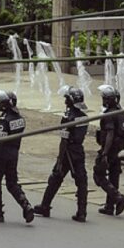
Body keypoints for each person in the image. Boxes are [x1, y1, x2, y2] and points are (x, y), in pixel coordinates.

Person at [34, 86, 90, 222]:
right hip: (79, 151)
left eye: (67, 98)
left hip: (68, 153)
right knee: (82, 182)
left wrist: (60, 159)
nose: (65, 101)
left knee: (55, 178)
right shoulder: (84, 117)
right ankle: (82, 212)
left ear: (71, 100)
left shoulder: (68, 117)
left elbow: (64, 140)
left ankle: (45, 206)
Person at [0, 90, 34, 223]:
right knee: (12, 183)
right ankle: (26, 205)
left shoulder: (4, 121)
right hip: (14, 155)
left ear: (5, 105)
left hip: (1, 156)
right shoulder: (20, 119)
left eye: (0, 102)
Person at [94, 84, 124, 216]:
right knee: (114, 177)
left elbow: (110, 133)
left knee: (98, 174)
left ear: (108, 100)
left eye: (104, 98)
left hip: (110, 150)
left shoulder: (109, 115)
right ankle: (109, 206)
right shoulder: (122, 114)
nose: (102, 100)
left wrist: (104, 153)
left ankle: (118, 198)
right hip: (119, 150)